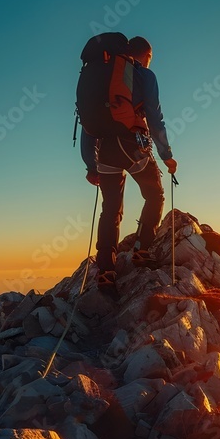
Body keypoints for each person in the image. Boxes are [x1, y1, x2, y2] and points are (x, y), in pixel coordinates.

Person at [80, 36, 178, 289]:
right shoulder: (143, 75)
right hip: (132, 145)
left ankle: (106, 271)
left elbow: (88, 123)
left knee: (110, 210)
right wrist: (166, 155)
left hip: (105, 150)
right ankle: (142, 249)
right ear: (146, 54)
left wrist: (90, 164)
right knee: (154, 194)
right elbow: (155, 118)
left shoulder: (101, 75)